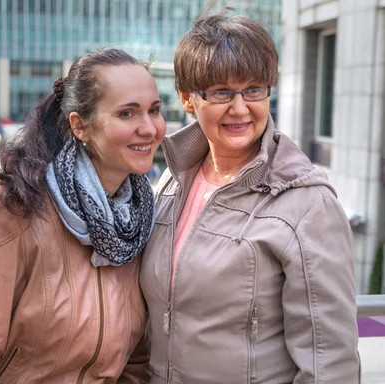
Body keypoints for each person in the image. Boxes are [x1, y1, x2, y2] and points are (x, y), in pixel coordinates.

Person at [139, 5, 361, 384]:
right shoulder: (172, 181)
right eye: (222, 91)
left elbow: (329, 363)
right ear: (188, 98)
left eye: (254, 89)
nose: (240, 108)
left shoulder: (307, 204)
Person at [0, 48, 165, 383]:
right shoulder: (11, 212)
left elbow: (136, 363)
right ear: (79, 126)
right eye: (127, 114)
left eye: (154, 110)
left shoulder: (138, 222)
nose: (149, 128)